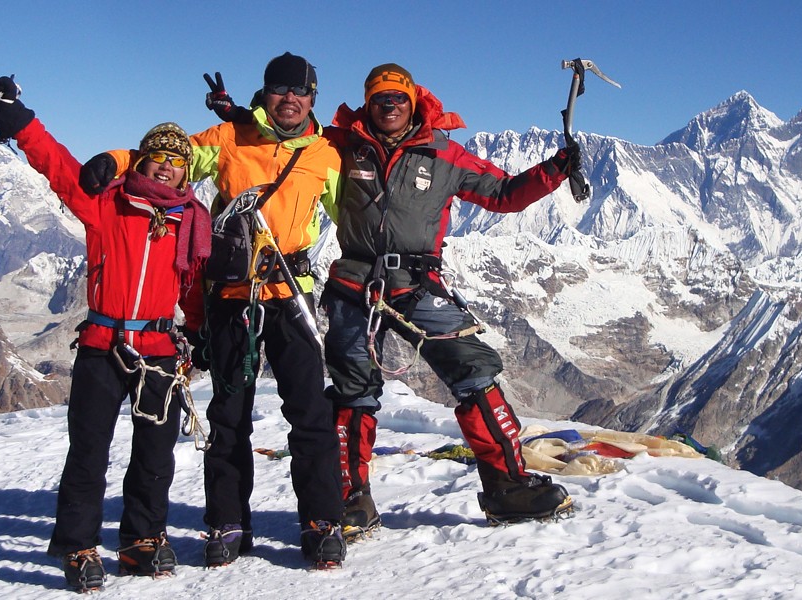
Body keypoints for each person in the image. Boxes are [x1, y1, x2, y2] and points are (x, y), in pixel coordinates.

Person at [211, 63, 584, 538]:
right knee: (351, 390)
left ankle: (508, 486)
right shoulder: (341, 143)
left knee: (473, 368)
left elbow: (504, 194)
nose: (388, 106)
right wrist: (246, 115)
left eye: (397, 98)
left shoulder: (444, 154)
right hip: (353, 284)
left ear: (413, 102)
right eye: (379, 99)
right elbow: (290, 133)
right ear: (368, 103)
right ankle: (348, 500)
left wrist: (554, 170)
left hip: (417, 283)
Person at [82, 52, 346, 569]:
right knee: (228, 417)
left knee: (310, 413)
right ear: (265, 92)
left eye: (300, 91)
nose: (289, 99)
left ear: (313, 97)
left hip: (292, 293)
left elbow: (353, 215)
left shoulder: (326, 153)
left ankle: (322, 522)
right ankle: (227, 523)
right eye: (279, 89)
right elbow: (167, 158)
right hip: (229, 294)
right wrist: (115, 160)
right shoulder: (228, 138)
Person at [0, 76, 211, 592]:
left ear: (185, 173)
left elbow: (192, 287)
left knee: (155, 453)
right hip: (102, 345)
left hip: (157, 347)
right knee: (88, 450)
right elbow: (60, 169)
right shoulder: (107, 205)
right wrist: (23, 123)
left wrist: (197, 333)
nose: (167, 166)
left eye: (177, 161)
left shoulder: (190, 223)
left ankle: (141, 540)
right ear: (140, 161)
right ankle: (79, 545)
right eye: (157, 157)